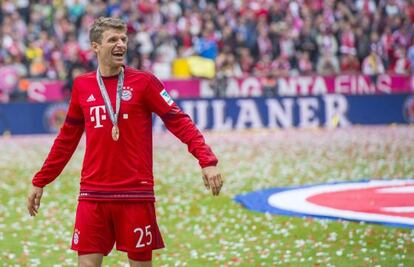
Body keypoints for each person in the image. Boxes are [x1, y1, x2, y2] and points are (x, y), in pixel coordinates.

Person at [27, 17, 223, 267]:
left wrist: (207, 160)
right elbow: (66, 139)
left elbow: (178, 120)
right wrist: (40, 180)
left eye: (123, 39)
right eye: (113, 40)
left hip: (135, 193)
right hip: (93, 194)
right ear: (96, 46)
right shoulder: (82, 85)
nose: (121, 44)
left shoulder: (145, 82)